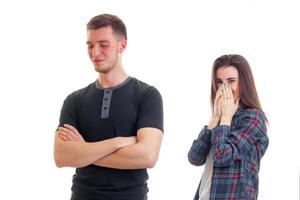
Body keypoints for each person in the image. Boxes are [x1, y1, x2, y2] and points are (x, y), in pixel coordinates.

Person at [54, 14, 164, 200]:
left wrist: (84, 151)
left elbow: (147, 156)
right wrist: (119, 142)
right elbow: (62, 156)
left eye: (103, 44)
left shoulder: (147, 95)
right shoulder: (74, 100)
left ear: (122, 45)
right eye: (90, 45)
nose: (95, 53)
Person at [188, 54, 269, 200]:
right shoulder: (220, 120)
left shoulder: (252, 117)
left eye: (231, 81)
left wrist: (225, 119)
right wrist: (214, 119)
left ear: (244, 83)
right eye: (219, 82)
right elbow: (194, 158)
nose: (224, 88)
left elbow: (222, 157)